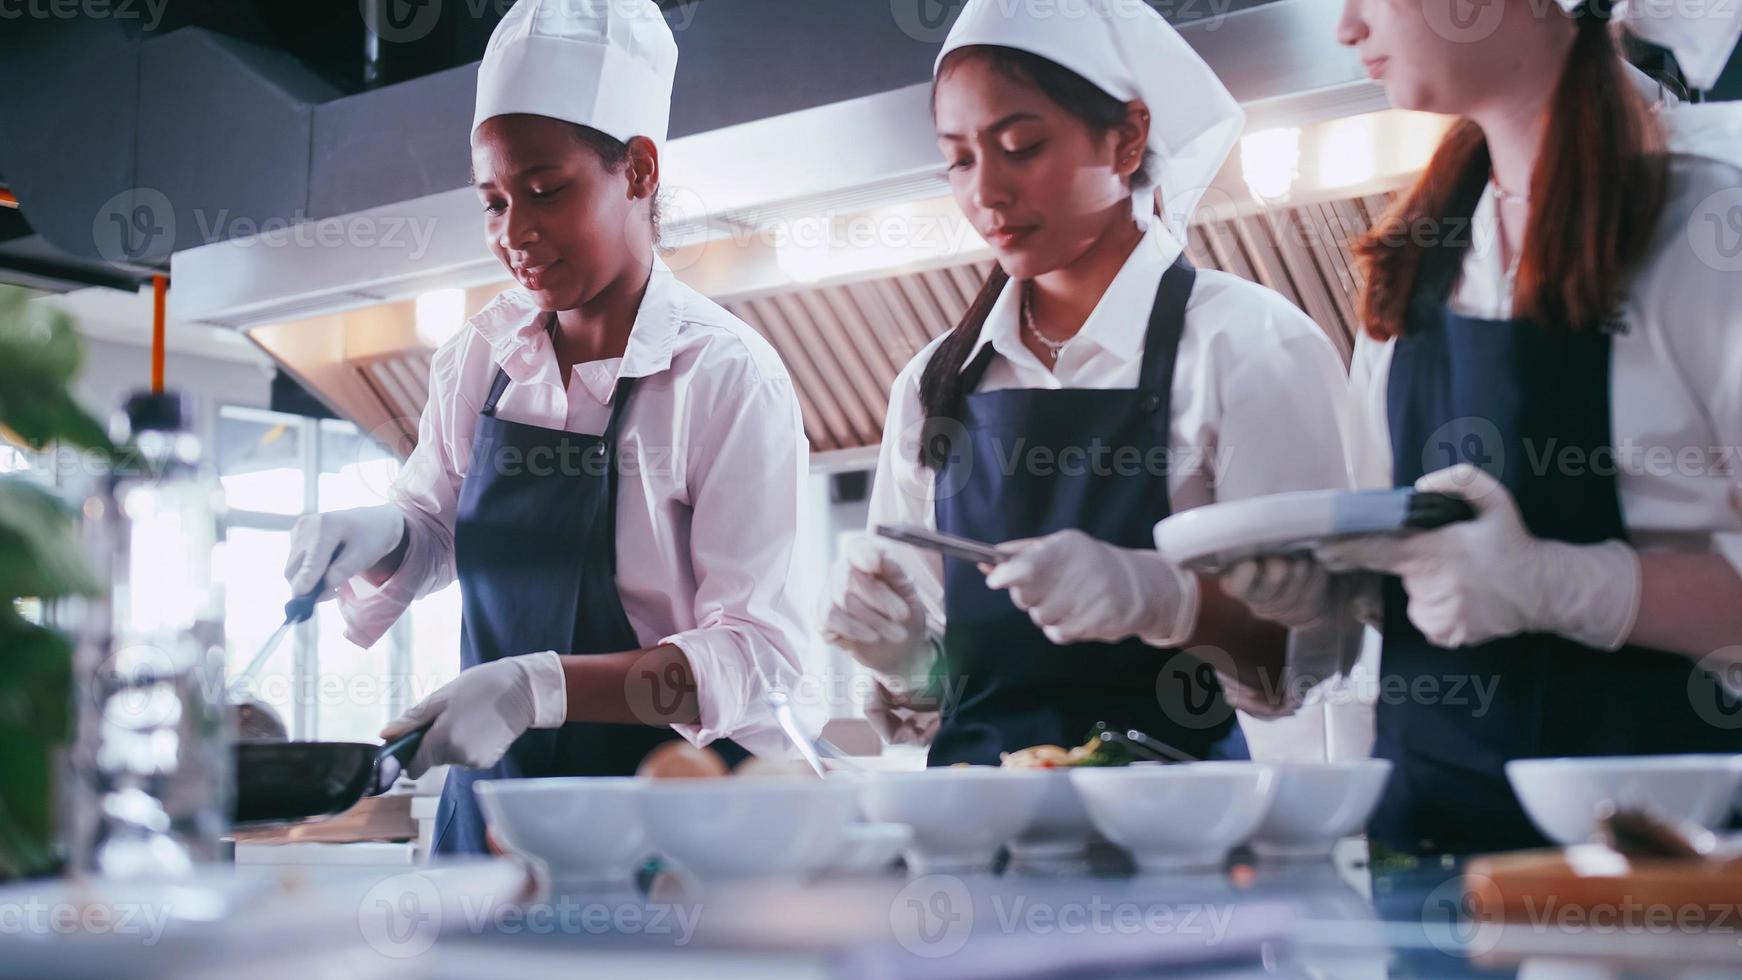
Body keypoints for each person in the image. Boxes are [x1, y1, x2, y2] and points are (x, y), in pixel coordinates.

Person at [281, 0, 812, 854]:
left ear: (638, 171)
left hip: (669, 824)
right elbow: (432, 528)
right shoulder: (482, 358)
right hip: (493, 815)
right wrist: (379, 532)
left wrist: (541, 687)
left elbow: (755, 656)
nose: (515, 234)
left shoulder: (723, 375)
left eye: (545, 192)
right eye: (493, 201)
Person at [1223, 0, 1742, 854]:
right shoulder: (1415, 262)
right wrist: (1346, 594)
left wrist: (1567, 586)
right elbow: (1425, 569)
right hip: (1433, 860)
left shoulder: (1697, 231)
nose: (1346, 27)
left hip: (1662, 884)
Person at [822, 0, 1355, 766]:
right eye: (961, 159)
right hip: (975, 846)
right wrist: (904, 660)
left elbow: (1310, 661)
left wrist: (1166, 601)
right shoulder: (932, 384)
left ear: (1129, 137)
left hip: (1186, 843)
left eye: (1022, 146)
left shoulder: (1251, 348)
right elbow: (945, 695)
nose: (988, 193)